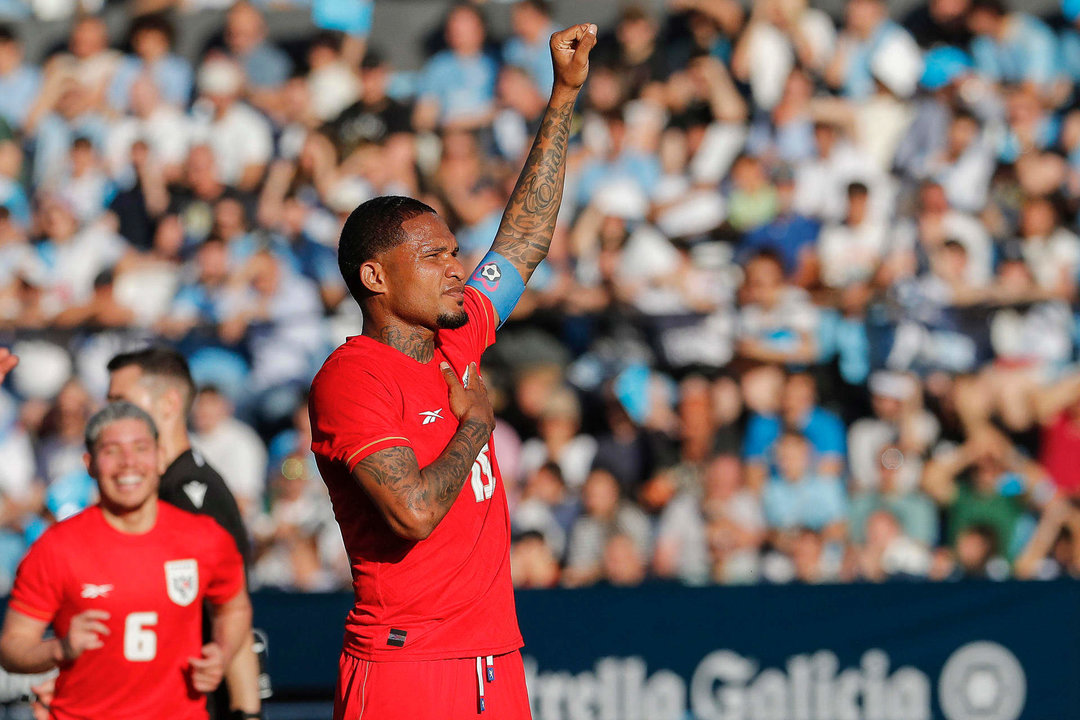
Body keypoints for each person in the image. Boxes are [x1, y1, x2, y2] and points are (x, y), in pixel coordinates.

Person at [308, 23, 596, 720]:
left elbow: (523, 240)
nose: (455, 267)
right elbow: (411, 514)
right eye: (433, 255)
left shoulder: (457, 337)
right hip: (410, 664)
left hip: (493, 658)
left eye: (454, 251)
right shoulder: (352, 379)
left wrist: (561, 98)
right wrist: (473, 430)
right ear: (375, 275)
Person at [0, 401, 251, 719]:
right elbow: (12, 646)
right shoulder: (55, 547)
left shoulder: (205, 537)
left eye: (141, 448)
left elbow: (234, 606)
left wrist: (222, 651)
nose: (128, 463)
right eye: (112, 451)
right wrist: (59, 648)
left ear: (160, 458)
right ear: (89, 463)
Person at [105, 347, 262, 720]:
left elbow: (231, 608)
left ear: (169, 403)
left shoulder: (195, 494)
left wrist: (247, 713)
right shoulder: (147, 490)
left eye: (120, 401)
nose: (109, 414)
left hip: (197, 703)